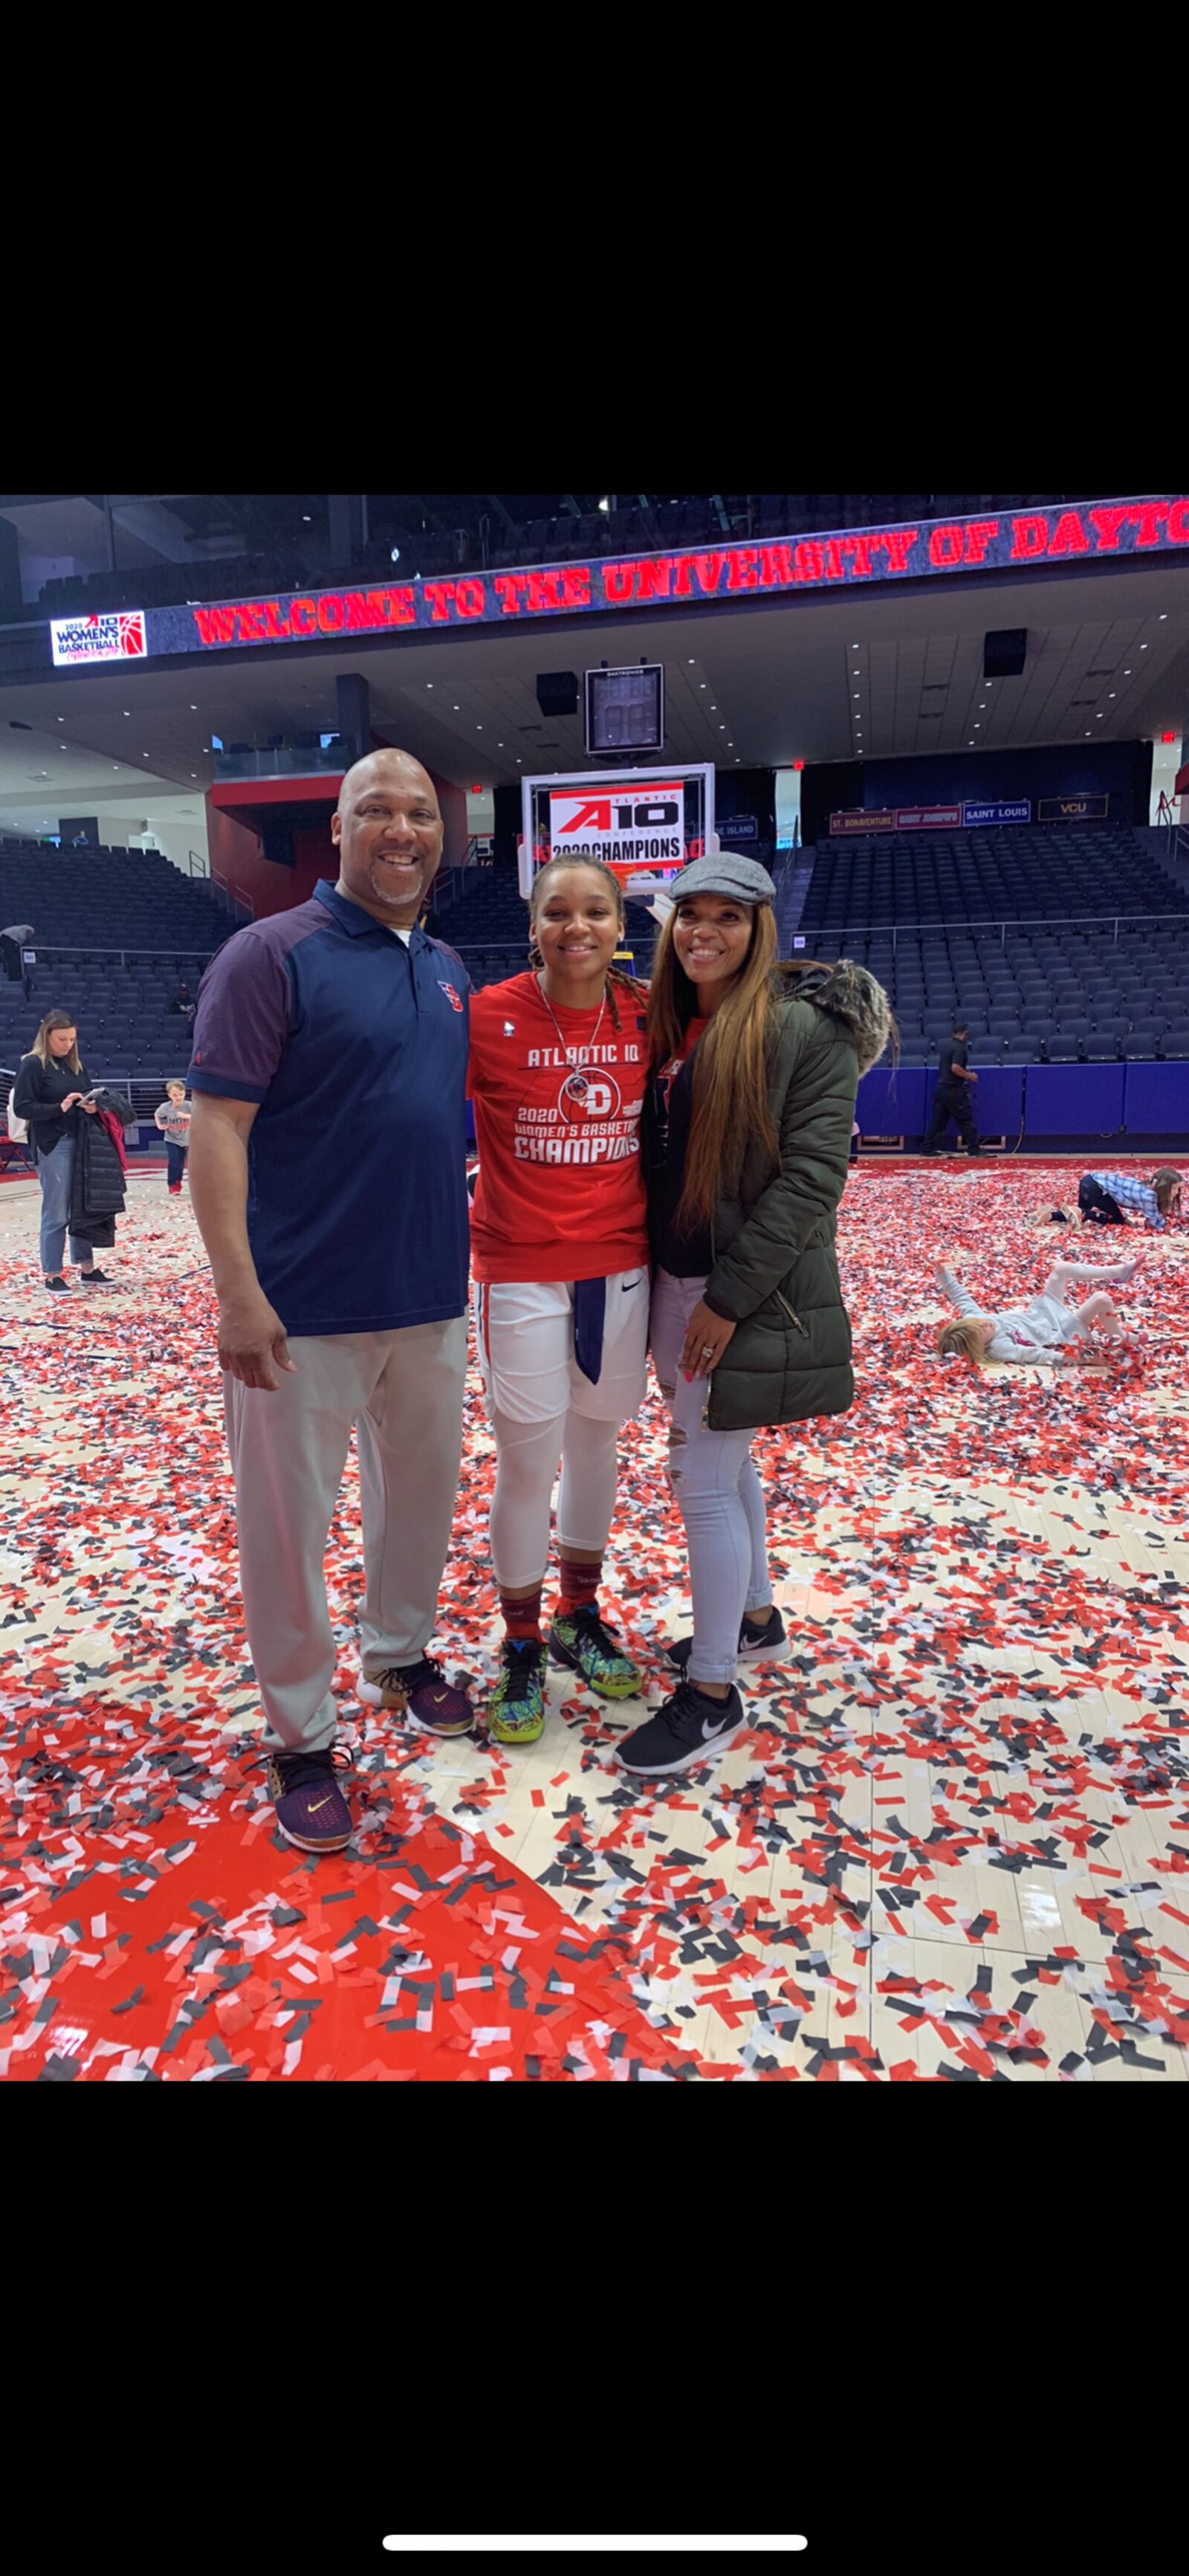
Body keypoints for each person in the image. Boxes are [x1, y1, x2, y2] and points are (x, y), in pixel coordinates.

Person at [186, 749, 475, 1857]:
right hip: (297, 1311)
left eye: (419, 813)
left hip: (428, 1300)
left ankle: (398, 1651)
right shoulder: (268, 956)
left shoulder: (447, 964)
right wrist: (237, 1293)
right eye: (377, 812)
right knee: (286, 1533)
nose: (401, 831)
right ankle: (302, 1735)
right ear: (339, 828)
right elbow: (219, 1130)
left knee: (419, 1505)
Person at [616, 857, 894, 1777]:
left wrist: (729, 1302)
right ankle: (758, 1619)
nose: (703, 932)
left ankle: (711, 1690)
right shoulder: (671, 1021)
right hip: (672, 1276)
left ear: (760, 926)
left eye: (726, 917)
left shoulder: (801, 1029)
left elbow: (814, 1181)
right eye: (687, 915)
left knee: (700, 1476)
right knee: (719, 1459)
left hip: (734, 1290)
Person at [467, 856, 650, 1744]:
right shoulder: (487, 1015)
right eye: (556, 913)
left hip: (620, 1264)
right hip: (520, 1268)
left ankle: (581, 1614)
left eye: (594, 913)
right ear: (532, 925)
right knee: (526, 1462)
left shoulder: (650, 1014)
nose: (575, 928)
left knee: (597, 1445)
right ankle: (521, 1642)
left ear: (621, 925)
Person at [11, 1010, 111, 1291]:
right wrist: (59, 1108)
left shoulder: (75, 1065)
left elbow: (88, 1092)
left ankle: (87, 1268)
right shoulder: (33, 1065)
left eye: (71, 1039)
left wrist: (92, 1105)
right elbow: (22, 1107)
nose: (67, 1045)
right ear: (47, 1036)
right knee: (56, 1212)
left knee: (82, 1209)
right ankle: (52, 1274)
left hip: (81, 1142)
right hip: (53, 1143)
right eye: (62, 1039)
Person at [934, 1250, 1143, 1366]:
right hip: (1062, 1331)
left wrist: (942, 1273)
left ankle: (1117, 1272)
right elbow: (1039, 1355)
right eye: (983, 1332)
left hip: (1044, 1313)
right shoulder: (1000, 1348)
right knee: (1101, 1299)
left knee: (1060, 1269)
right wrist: (1085, 1360)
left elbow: (960, 1297)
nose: (986, 1324)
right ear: (979, 1347)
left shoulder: (976, 1318)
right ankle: (1121, 1336)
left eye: (978, 1323)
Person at [922, 1021, 980, 1155]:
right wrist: (969, 1075)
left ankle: (927, 1148)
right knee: (965, 1119)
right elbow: (955, 1068)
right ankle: (974, 1148)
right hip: (953, 1090)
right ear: (964, 1033)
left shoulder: (946, 1046)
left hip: (941, 1089)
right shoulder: (960, 1048)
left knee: (938, 1121)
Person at [1078, 1167, 1182, 1229]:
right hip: (1096, 1187)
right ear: (1163, 1188)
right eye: (1174, 1189)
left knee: (1079, 1216)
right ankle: (1081, 1212)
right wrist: (1168, 1226)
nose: (1177, 1193)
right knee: (1116, 1219)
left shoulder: (1148, 1187)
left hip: (1090, 1179)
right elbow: (1153, 1222)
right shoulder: (1149, 1196)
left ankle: (1068, 1213)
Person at [155, 1080, 192, 1194]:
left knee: (182, 1163)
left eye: (181, 1094)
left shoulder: (189, 1105)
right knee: (175, 1161)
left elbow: (199, 1115)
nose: (178, 1097)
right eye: (175, 1095)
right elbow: (157, 1114)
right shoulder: (166, 1107)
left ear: (184, 1093)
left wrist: (184, 1116)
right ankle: (173, 1184)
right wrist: (159, 1125)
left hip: (188, 1139)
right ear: (169, 1095)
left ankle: (179, 1181)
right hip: (172, 1139)